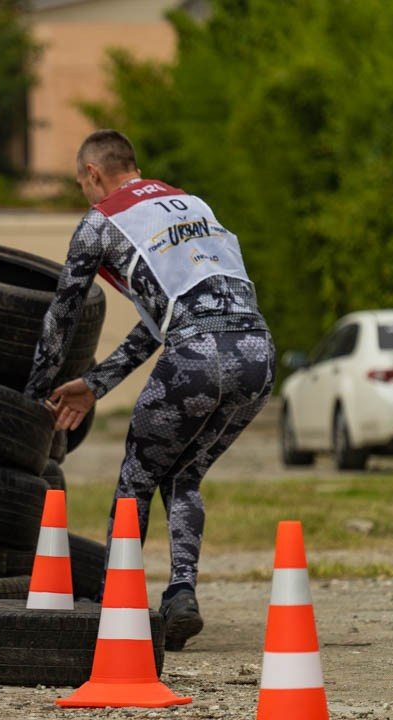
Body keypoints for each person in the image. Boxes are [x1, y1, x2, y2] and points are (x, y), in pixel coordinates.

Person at [24, 129, 275, 652]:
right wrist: (95, 384)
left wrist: (30, 399)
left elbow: (62, 316)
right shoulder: (192, 205)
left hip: (197, 354)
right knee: (183, 473)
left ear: (93, 173)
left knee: (136, 477)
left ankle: (121, 605)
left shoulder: (101, 221)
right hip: (257, 353)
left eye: (80, 183)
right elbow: (160, 321)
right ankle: (181, 593)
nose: (83, 194)